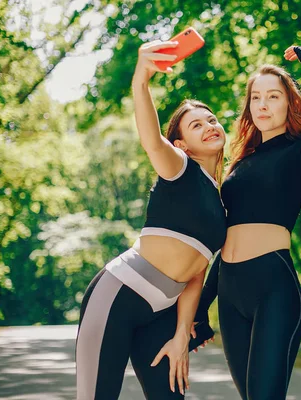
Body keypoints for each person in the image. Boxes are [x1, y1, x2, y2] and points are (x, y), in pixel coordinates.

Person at [76, 39, 227, 399]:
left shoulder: (221, 205)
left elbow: (195, 275)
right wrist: (141, 81)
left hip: (161, 312)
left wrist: (180, 335)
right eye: (195, 125)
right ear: (182, 145)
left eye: (212, 119)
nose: (208, 125)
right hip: (117, 296)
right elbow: (152, 141)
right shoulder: (180, 168)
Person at [195, 45, 301, 400]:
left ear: (289, 104)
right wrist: (202, 307)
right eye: (256, 97)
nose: (262, 104)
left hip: (273, 290)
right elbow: (229, 238)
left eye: (273, 96)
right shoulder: (240, 161)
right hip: (230, 295)